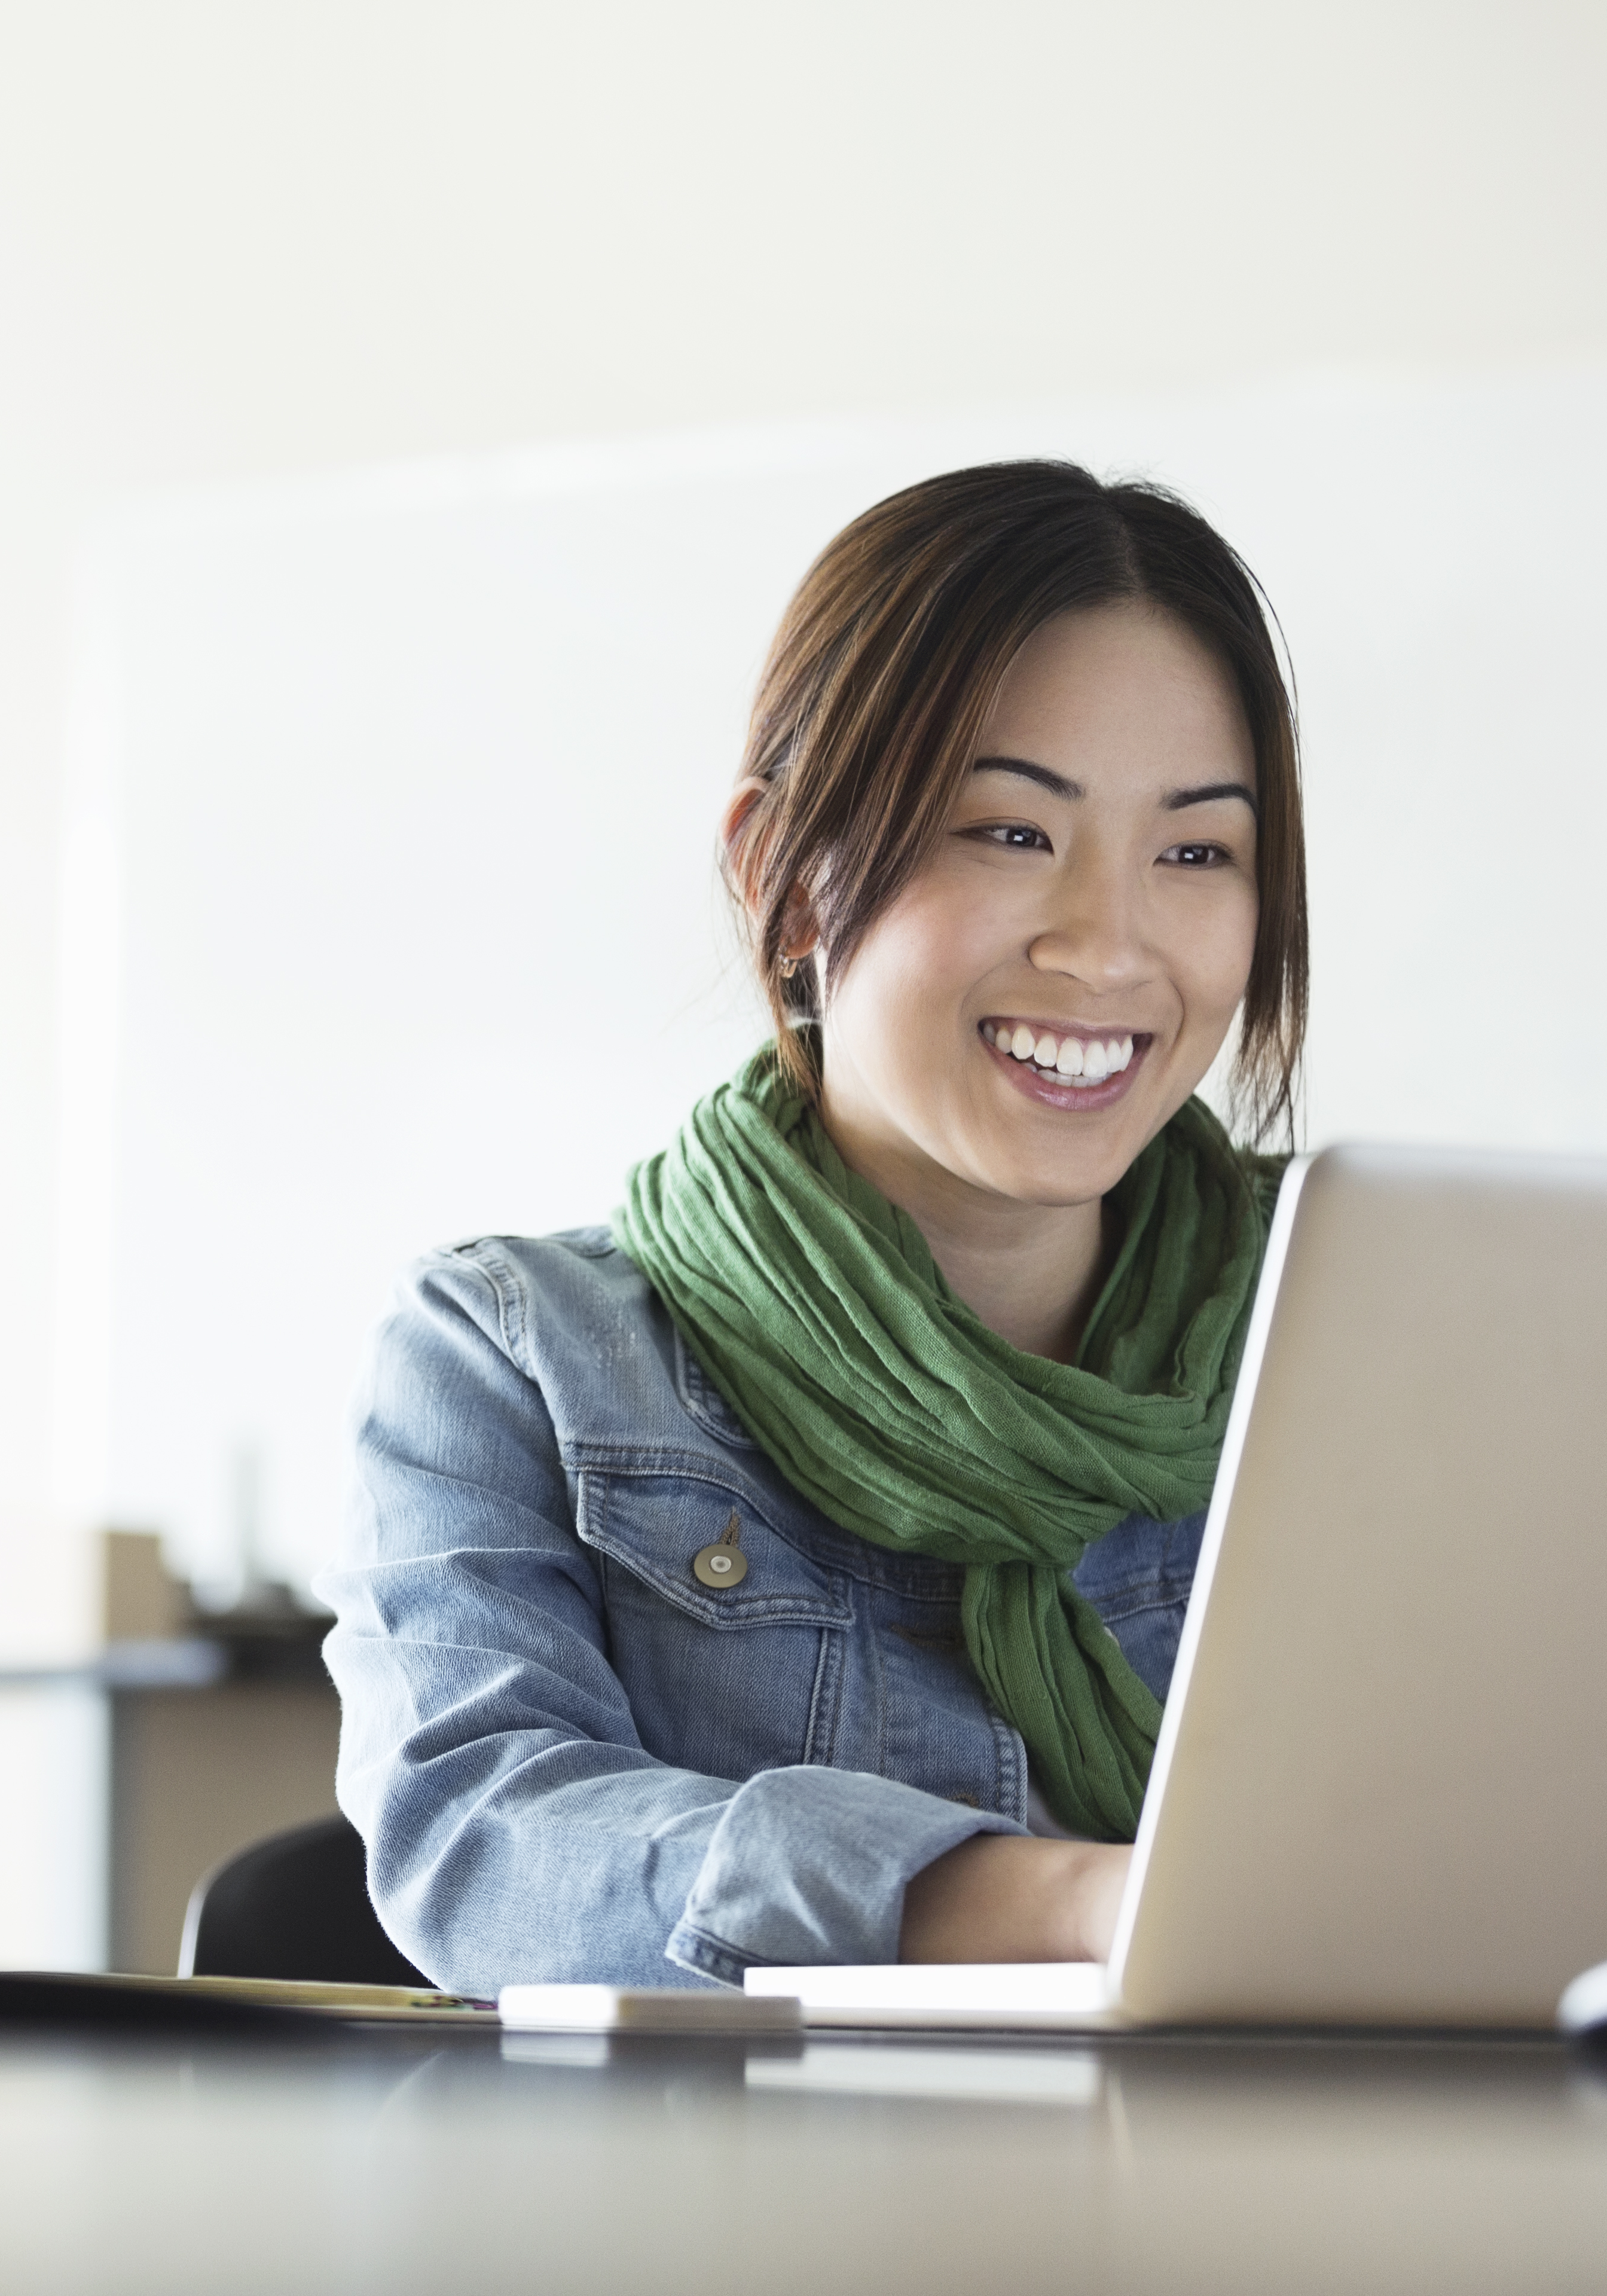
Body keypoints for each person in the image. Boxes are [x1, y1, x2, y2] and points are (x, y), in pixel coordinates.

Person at [321, 461, 1306, 1994]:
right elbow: (485, 1841)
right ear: (785, 880)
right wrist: (1054, 1905)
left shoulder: (1347, 1330)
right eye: (1009, 832)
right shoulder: (513, 1355)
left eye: (1195, 852)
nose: (1109, 945)